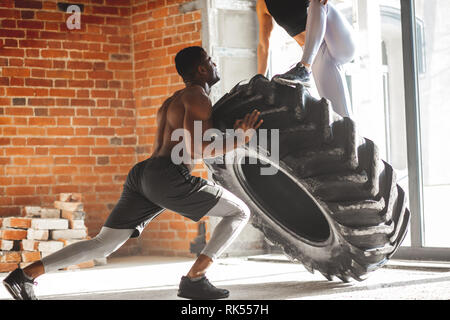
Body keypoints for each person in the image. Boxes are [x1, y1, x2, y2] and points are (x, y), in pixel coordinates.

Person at [2, 46, 263, 300]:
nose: (215, 64)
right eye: (210, 60)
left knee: (104, 243)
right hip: (167, 176)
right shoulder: (198, 97)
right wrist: (240, 138)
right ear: (202, 69)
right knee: (239, 212)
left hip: (144, 173)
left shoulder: (173, 100)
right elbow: (197, 149)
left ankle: (23, 276)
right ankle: (196, 278)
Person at [257, 0, 356, 118]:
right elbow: (263, 47)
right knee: (338, 118)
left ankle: (304, 68)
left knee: (317, 2)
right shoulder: (263, 3)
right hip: (318, 55)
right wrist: (259, 81)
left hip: (339, 40)